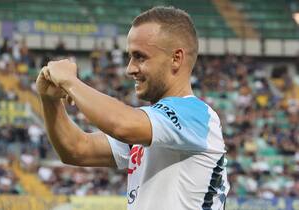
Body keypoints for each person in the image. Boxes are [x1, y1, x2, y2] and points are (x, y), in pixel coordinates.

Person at [36, 6, 229, 210]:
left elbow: (122, 125)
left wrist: (69, 81)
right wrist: (50, 100)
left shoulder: (197, 116)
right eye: (130, 57)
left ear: (176, 58)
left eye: (140, 57)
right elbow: (77, 149)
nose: (130, 68)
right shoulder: (154, 126)